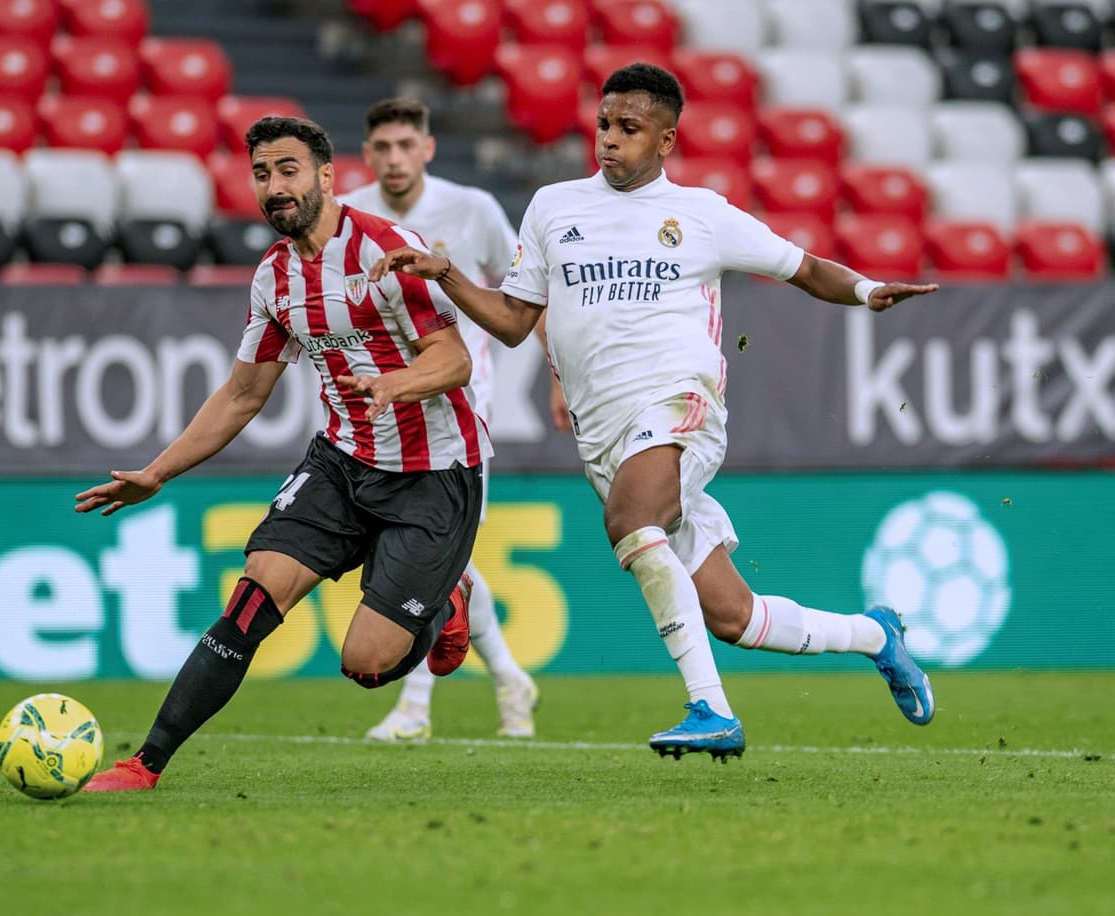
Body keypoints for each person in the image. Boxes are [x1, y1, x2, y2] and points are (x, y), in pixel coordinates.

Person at [370, 63, 939, 762]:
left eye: (629, 128)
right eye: (604, 124)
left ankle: (712, 710)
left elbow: (804, 266)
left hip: (679, 402)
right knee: (735, 617)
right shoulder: (553, 207)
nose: (609, 139)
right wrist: (450, 276)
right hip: (603, 434)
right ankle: (877, 635)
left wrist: (867, 289)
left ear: (666, 140)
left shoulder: (702, 213)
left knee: (632, 522)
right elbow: (516, 321)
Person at [76, 115, 492, 791]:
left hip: (433, 475)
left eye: (288, 170)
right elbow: (243, 394)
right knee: (251, 598)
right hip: (342, 463)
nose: (275, 187)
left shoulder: (385, 248)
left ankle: (446, 600)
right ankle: (144, 763)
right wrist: (156, 473)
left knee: (367, 665)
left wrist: (395, 383)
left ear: (327, 175)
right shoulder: (274, 277)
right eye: (262, 174)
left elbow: (454, 360)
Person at [341, 96, 539, 742]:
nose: (394, 158)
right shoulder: (348, 215)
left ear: (427, 148)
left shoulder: (473, 209)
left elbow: (525, 294)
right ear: (367, 154)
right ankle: (509, 676)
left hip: (462, 403)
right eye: (382, 147)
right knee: (443, 562)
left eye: (406, 145)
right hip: (387, 409)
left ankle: (415, 707)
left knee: (434, 556)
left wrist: (554, 377)